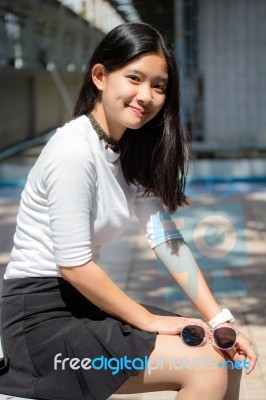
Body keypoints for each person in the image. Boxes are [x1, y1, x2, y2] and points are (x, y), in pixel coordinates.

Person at [0, 22, 256, 400]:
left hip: (80, 306)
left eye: (158, 86)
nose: (146, 95)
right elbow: (73, 265)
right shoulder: (73, 150)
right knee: (206, 366)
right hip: (40, 324)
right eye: (134, 78)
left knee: (222, 353)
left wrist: (219, 320)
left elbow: (166, 238)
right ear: (100, 76)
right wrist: (150, 320)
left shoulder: (127, 154)